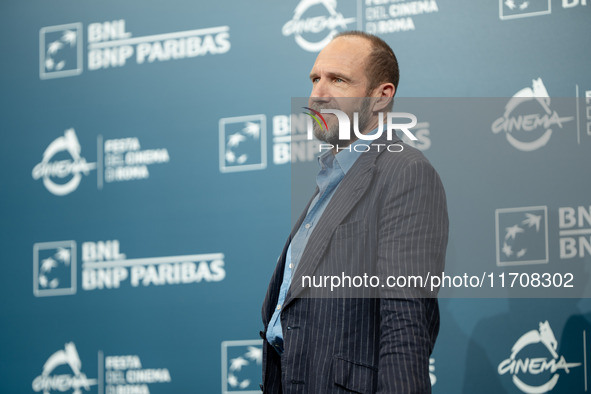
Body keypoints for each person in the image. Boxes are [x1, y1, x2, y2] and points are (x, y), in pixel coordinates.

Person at [260, 31, 448, 393]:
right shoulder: (331, 182)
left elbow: (404, 322)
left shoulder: (404, 171)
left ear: (381, 95)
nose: (319, 93)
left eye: (338, 80)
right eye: (315, 78)